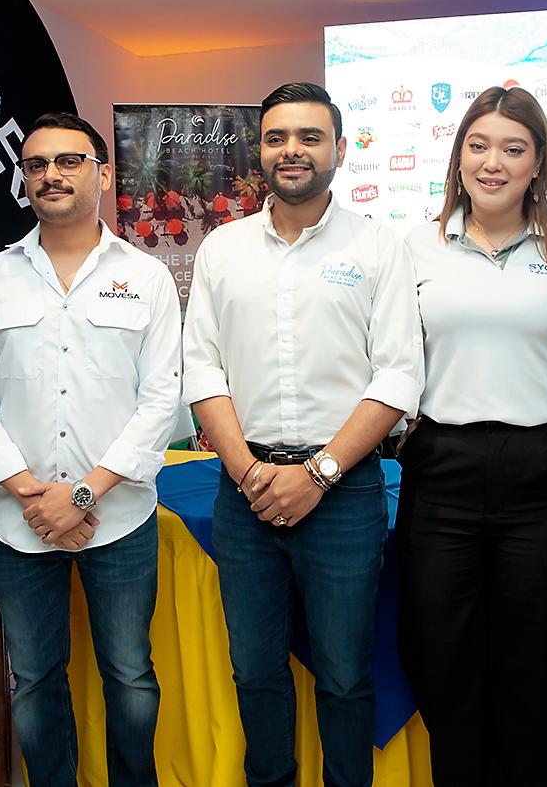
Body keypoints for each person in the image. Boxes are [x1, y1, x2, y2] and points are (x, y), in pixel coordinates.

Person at [182, 82, 423, 787]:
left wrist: (317, 474)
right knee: (255, 671)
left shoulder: (378, 247)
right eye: (278, 137)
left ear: (340, 149)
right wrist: (249, 473)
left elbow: (398, 375)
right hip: (245, 494)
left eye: (310, 137)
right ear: (260, 150)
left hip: (343, 495)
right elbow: (202, 367)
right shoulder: (222, 249)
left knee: (345, 675)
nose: (293, 150)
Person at [0, 112, 181, 787]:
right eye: (37, 164)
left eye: (69, 161)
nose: (51, 174)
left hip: (120, 516)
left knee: (130, 675)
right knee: (33, 678)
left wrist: (81, 495)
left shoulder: (147, 277)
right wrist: (32, 494)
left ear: (103, 175)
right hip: (19, 520)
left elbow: (160, 401)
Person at [396, 85, 547, 787]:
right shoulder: (414, 248)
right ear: (458, 158)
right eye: (478, 146)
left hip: (543, 473)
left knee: (532, 666)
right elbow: (385, 349)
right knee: (440, 660)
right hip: (442, 470)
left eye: (513, 148)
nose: (493, 163)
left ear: (538, 161)